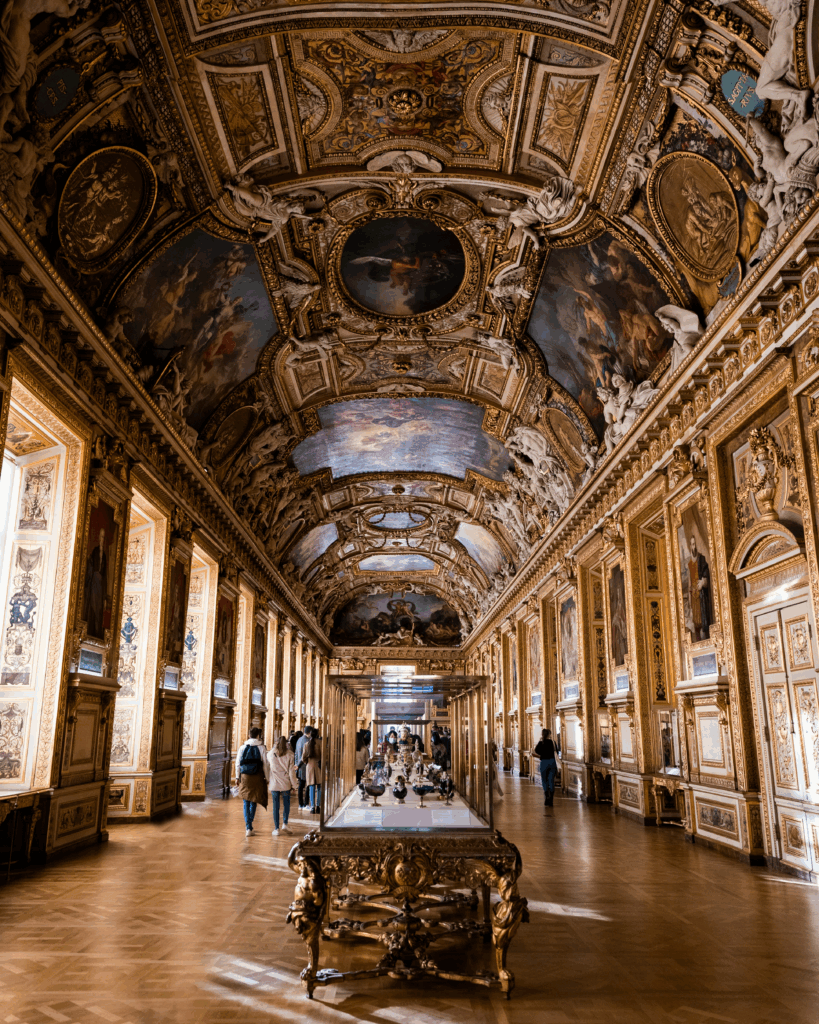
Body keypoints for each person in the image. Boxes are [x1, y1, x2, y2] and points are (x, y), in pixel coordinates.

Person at [235, 727, 269, 836]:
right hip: (257, 776)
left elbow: (238, 764)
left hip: (245, 776)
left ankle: (248, 826)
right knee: (254, 799)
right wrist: (267, 778)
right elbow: (265, 764)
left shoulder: (242, 747)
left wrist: (237, 777)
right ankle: (250, 826)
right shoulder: (261, 748)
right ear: (258, 735)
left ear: (249, 735)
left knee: (246, 800)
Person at [267, 736, 297, 836]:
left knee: (275, 806)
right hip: (285, 783)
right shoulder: (290, 755)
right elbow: (291, 772)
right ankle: (285, 823)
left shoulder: (270, 754)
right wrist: (294, 785)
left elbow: (268, 769)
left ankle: (276, 828)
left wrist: (267, 780)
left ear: (276, 742)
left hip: (274, 783)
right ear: (286, 744)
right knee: (286, 804)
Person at [534, 728, 558, 808]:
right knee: (551, 781)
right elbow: (556, 752)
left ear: (542, 734)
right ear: (549, 734)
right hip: (552, 762)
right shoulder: (553, 743)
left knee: (544, 780)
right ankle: (551, 799)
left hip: (543, 763)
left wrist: (543, 754)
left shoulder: (541, 743)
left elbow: (536, 751)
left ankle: (546, 797)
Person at [305, 731, 322, 813]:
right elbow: (324, 755)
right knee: (319, 787)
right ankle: (318, 806)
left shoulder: (307, 744)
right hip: (319, 766)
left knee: (311, 786)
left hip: (310, 767)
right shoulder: (320, 743)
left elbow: (303, 757)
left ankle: (312, 807)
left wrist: (307, 762)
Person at [295, 726, 311, 808]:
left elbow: (296, 754)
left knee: (301, 786)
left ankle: (300, 804)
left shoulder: (299, 740)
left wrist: (296, 765)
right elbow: (305, 756)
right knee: (307, 785)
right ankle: (306, 804)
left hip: (299, 766)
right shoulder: (308, 741)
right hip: (305, 766)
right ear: (310, 732)